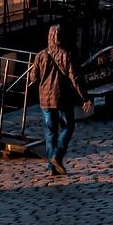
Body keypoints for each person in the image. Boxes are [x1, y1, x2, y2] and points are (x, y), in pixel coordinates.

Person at [29, 24, 93, 176]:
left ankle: (52, 167)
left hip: (45, 100)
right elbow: (75, 78)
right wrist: (85, 97)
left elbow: (33, 77)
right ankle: (57, 156)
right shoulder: (67, 54)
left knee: (50, 133)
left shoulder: (41, 55)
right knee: (68, 127)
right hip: (63, 99)